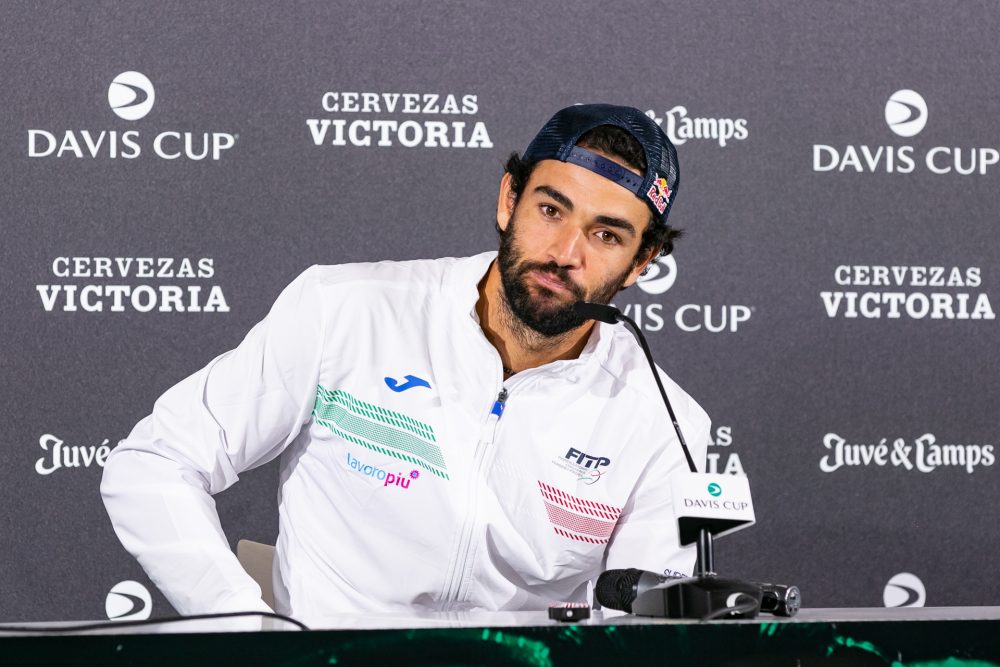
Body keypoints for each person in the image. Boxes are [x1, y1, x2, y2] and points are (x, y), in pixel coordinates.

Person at [101, 104, 711, 623]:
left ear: (642, 262)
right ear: (509, 199)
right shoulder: (346, 309)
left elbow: (648, 627)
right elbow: (154, 462)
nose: (564, 253)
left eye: (607, 235)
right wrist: (243, 627)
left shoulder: (665, 422)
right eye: (551, 210)